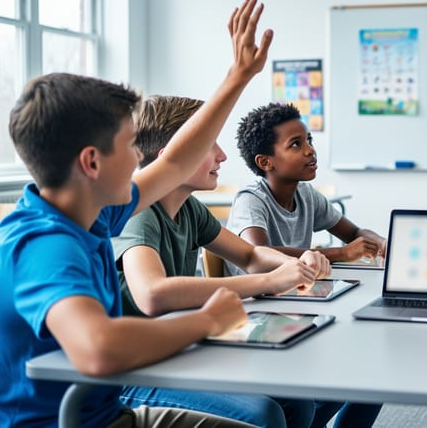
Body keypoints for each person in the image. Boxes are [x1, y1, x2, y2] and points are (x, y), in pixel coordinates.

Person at [0, 0, 272, 427]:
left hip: (109, 413)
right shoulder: (44, 245)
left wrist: (237, 78)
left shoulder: (91, 212)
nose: (140, 158)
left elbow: (173, 164)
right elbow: (98, 348)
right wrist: (206, 320)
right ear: (92, 163)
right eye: (131, 146)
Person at [113, 95, 333, 427]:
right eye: (209, 146)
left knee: (297, 400)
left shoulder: (189, 208)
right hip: (132, 369)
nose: (223, 155)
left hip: (174, 350)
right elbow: (154, 294)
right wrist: (269, 281)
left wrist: (297, 264)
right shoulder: (138, 215)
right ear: (172, 157)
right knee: (266, 412)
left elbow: (249, 255)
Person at [227, 101, 384, 428]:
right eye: (296, 144)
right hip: (260, 317)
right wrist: (340, 254)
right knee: (351, 373)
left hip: (300, 305)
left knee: (374, 370)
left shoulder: (308, 195)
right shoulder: (251, 199)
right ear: (265, 162)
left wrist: (380, 243)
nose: (310, 151)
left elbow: (353, 232)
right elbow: (259, 253)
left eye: (309, 140)